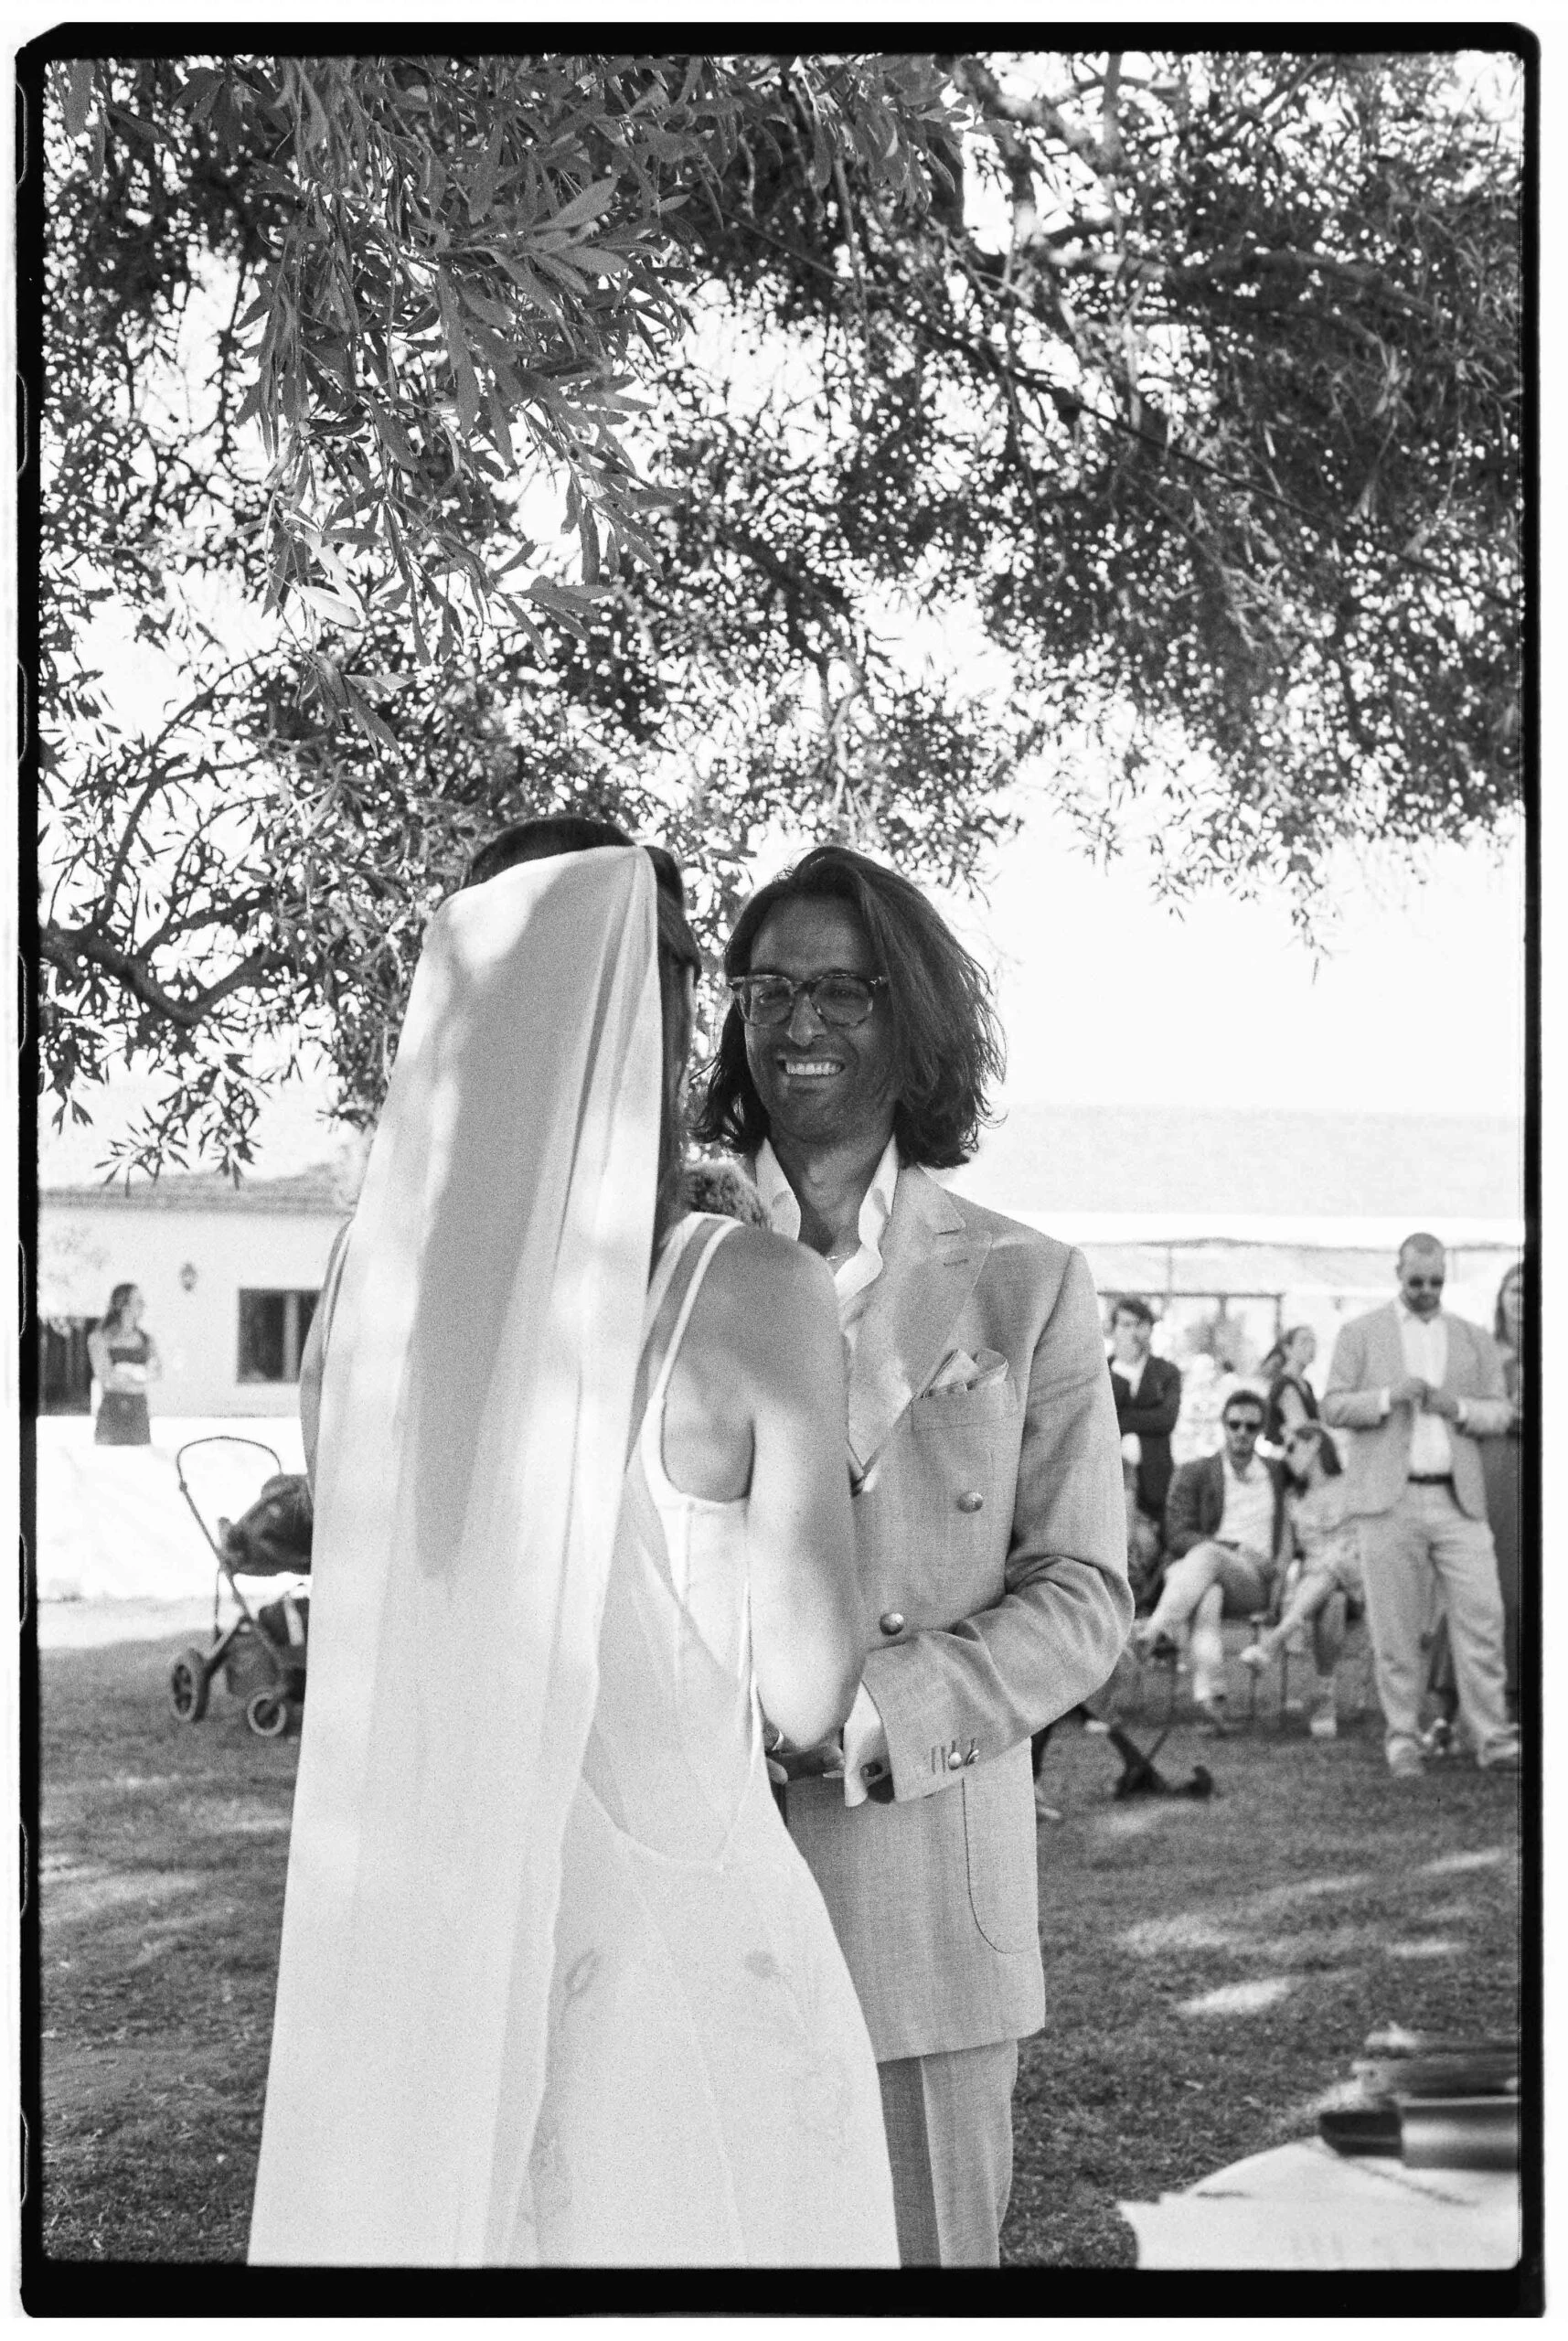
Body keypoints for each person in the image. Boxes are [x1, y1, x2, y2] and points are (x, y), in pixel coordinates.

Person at [250, 839, 900, 2265]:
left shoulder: (363, 1284)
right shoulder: (754, 1292)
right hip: (684, 1959)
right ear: (651, 1003)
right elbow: (806, 1694)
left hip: (431, 1947)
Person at [691, 842, 1130, 2267]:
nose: (798, 1023)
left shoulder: (1026, 1281)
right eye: (767, 989)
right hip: (686, 1887)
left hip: (924, 1907)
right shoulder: (664, 1264)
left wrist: (874, 1712)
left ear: (913, 1015)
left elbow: (1082, 1595)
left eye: (843, 990)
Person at [1320, 1233, 1520, 1777]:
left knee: (1483, 1617)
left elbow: (1501, 1413)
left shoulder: (1472, 1338)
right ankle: (1403, 1737)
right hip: (1389, 1500)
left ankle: (1492, 1737)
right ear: (1398, 1272)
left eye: (1436, 1282)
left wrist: (1458, 1408)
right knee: (1396, 1628)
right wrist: (1388, 1398)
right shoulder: (1360, 1333)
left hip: (1459, 1499)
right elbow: (1332, 1406)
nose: (1427, 1290)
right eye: (1417, 1281)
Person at [1132, 1389, 1285, 1733]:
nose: (1242, 1432)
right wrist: (1233, 1546)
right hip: (1202, 1575)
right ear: (1223, 1425)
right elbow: (1177, 1535)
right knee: (1209, 1591)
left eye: (1251, 1426)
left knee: (1208, 1555)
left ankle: (1155, 1631)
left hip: (1255, 1581)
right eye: (1235, 1424)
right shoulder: (1196, 1471)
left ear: (1261, 1430)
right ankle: (1211, 1697)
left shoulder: (1275, 1473)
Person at [1238, 1420, 1360, 1737]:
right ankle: (1324, 1698)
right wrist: (1274, 1600)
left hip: (1355, 1580)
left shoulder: (1353, 1485)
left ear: (1315, 1443)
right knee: (1332, 1601)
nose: (1287, 1456)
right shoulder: (1293, 1498)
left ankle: (1274, 1641)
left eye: (1291, 1447)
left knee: (1335, 1563)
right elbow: (1285, 1557)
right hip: (1317, 1590)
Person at [87, 1283, 161, 1445]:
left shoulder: (146, 1340)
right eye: (138, 1301)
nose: (143, 1305)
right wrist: (138, 1373)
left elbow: (155, 1372)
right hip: (111, 1416)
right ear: (123, 1305)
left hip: (139, 1416)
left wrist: (123, 1370)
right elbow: (105, 1376)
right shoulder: (100, 1338)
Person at [1261, 1324, 1320, 1452]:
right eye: (1304, 1342)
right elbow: (1302, 1429)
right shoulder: (1284, 1384)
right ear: (1287, 1349)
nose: (1311, 1347)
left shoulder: (1306, 1385)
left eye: (1313, 1341)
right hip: (1285, 1455)